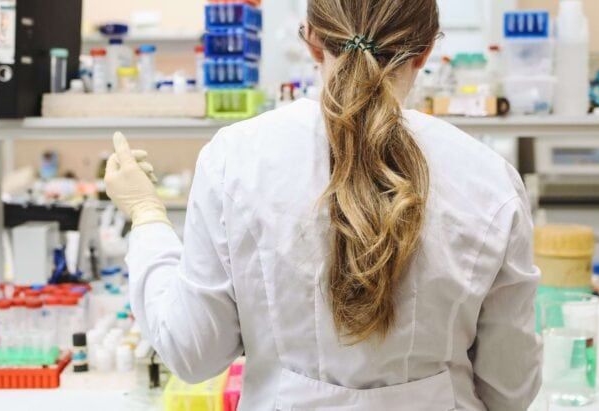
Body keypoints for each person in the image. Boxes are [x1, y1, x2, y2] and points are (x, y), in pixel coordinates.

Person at [104, 0, 541, 409]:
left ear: (312, 39)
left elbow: (194, 352)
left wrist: (146, 215)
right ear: (426, 49)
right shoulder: (489, 178)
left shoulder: (236, 158)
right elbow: (511, 388)